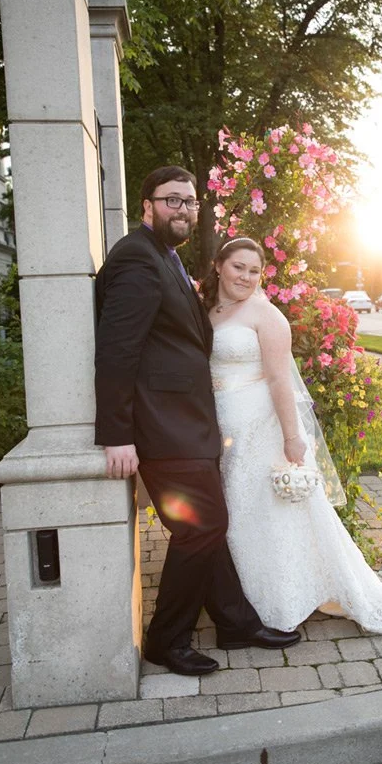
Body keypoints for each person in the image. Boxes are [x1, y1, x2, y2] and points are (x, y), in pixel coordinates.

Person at [94, 166, 301, 675]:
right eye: (171, 200)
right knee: (202, 528)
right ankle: (167, 639)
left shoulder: (163, 257)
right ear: (147, 205)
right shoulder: (138, 260)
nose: (183, 209)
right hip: (163, 428)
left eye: (189, 202)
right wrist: (117, 434)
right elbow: (117, 352)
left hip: (188, 424)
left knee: (205, 527)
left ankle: (235, 623)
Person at [205, 235, 382, 640]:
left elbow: (279, 379)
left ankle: (280, 603)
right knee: (241, 518)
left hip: (262, 432)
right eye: (239, 267)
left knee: (271, 518)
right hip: (225, 434)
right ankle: (249, 601)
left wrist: (293, 438)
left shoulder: (265, 315)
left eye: (254, 271)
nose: (246, 276)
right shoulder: (211, 310)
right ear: (218, 265)